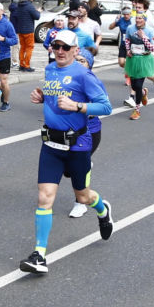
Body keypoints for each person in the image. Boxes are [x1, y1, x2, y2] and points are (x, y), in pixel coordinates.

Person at [20, 30, 113, 274]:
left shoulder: (84, 75)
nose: (59, 50)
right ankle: (39, 254)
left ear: (75, 50)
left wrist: (78, 106)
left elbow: (106, 106)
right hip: (51, 143)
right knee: (44, 197)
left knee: (83, 196)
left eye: (65, 47)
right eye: (55, 46)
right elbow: (54, 99)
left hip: (77, 145)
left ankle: (103, 211)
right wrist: (42, 98)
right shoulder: (50, 70)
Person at [67, 46, 106, 219]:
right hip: (68, 131)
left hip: (90, 132)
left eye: (82, 61)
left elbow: (104, 107)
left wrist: (83, 108)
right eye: (76, 60)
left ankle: (80, 203)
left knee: (78, 169)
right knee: (68, 170)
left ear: (89, 65)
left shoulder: (94, 82)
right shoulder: (67, 80)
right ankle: (84, 165)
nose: (78, 64)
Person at [123, 12, 154, 120]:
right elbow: (127, 40)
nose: (138, 20)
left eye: (140, 18)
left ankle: (137, 110)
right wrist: (128, 50)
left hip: (144, 59)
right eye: (137, 18)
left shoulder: (150, 31)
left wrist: (143, 38)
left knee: (138, 84)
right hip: (132, 59)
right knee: (134, 86)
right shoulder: (130, 28)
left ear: (145, 20)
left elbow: (152, 48)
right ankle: (143, 92)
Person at [9, 0, 41, 71]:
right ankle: (27, 65)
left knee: (22, 47)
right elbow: (37, 17)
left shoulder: (19, 5)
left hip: (20, 30)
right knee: (29, 48)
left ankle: (22, 65)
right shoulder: (29, 6)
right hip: (28, 30)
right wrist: (38, 11)